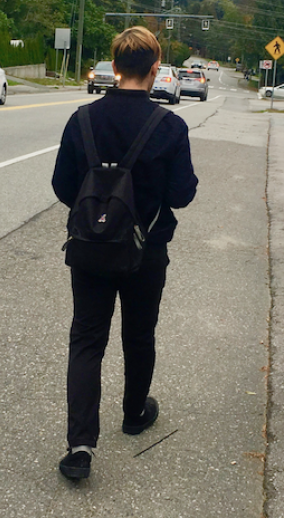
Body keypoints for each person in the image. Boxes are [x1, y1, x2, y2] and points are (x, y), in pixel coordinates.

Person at [51, 26, 199, 480]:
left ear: (113, 67)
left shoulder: (82, 120)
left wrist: (99, 211)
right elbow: (181, 194)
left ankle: (80, 446)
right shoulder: (170, 126)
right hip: (146, 250)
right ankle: (135, 413)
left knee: (87, 339)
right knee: (139, 333)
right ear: (156, 69)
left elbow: (62, 186)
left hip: (91, 249)